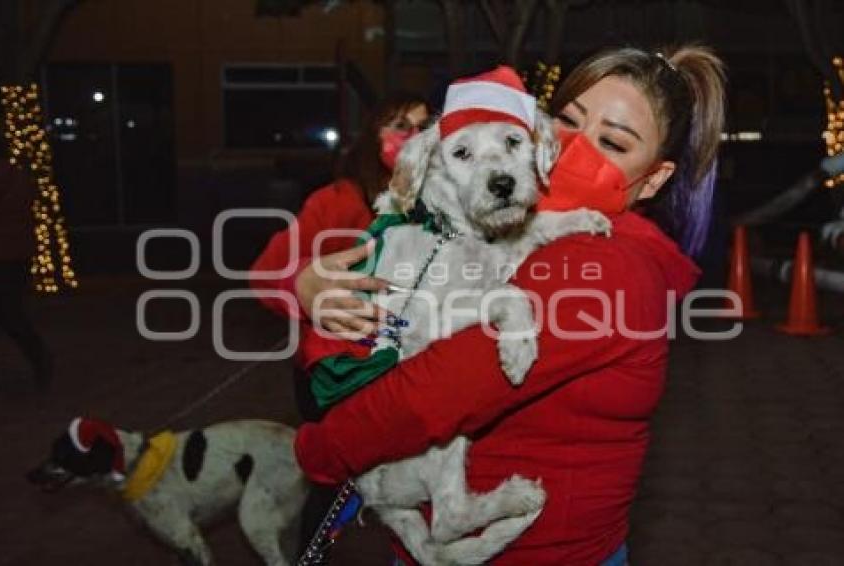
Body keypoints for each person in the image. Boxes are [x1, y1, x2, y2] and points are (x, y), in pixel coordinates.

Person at [280, 44, 726, 565]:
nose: (575, 149)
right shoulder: (525, 227)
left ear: (652, 178)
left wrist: (318, 453)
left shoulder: (605, 268)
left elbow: (430, 394)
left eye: (611, 142)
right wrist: (314, 287)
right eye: (567, 121)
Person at [250, 93, 431, 558]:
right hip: (333, 373)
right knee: (334, 488)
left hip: (404, 365)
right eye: (400, 126)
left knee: (419, 483)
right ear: (372, 136)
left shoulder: (436, 200)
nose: (414, 136)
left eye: (423, 125)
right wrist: (305, 286)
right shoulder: (339, 199)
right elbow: (267, 272)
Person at [0, 114, 53, 392]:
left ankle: (40, 359)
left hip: (2, 254)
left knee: (8, 314)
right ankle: (39, 358)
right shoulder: (20, 178)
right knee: (11, 313)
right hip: (17, 254)